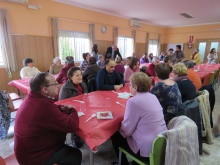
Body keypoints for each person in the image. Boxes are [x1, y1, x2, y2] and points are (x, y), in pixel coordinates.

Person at [14, 72, 82, 165]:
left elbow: (49, 109)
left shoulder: (31, 97)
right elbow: (72, 126)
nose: (58, 85)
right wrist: (73, 110)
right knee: (76, 155)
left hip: (27, 150)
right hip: (34, 158)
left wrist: (58, 108)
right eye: (55, 84)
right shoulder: (43, 106)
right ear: (45, 89)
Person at [111, 72, 167, 165]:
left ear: (135, 87)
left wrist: (120, 129)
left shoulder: (133, 101)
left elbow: (127, 130)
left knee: (115, 134)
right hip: (161, 144)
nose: (129, 88)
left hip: (147, 151)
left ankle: (123, 163)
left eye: (130, 85)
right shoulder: (153, 96)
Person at [59, 67, 87, 148]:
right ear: (70, 77)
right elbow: (62, 104)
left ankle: (84, 134)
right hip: (70, 110)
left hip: (82, 107)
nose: (80, 76)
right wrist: (73, 109)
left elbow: (86, 97)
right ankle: (74, 136)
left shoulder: (83, 84)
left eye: (80, 74)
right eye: (77, 75)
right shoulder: (65, 88)